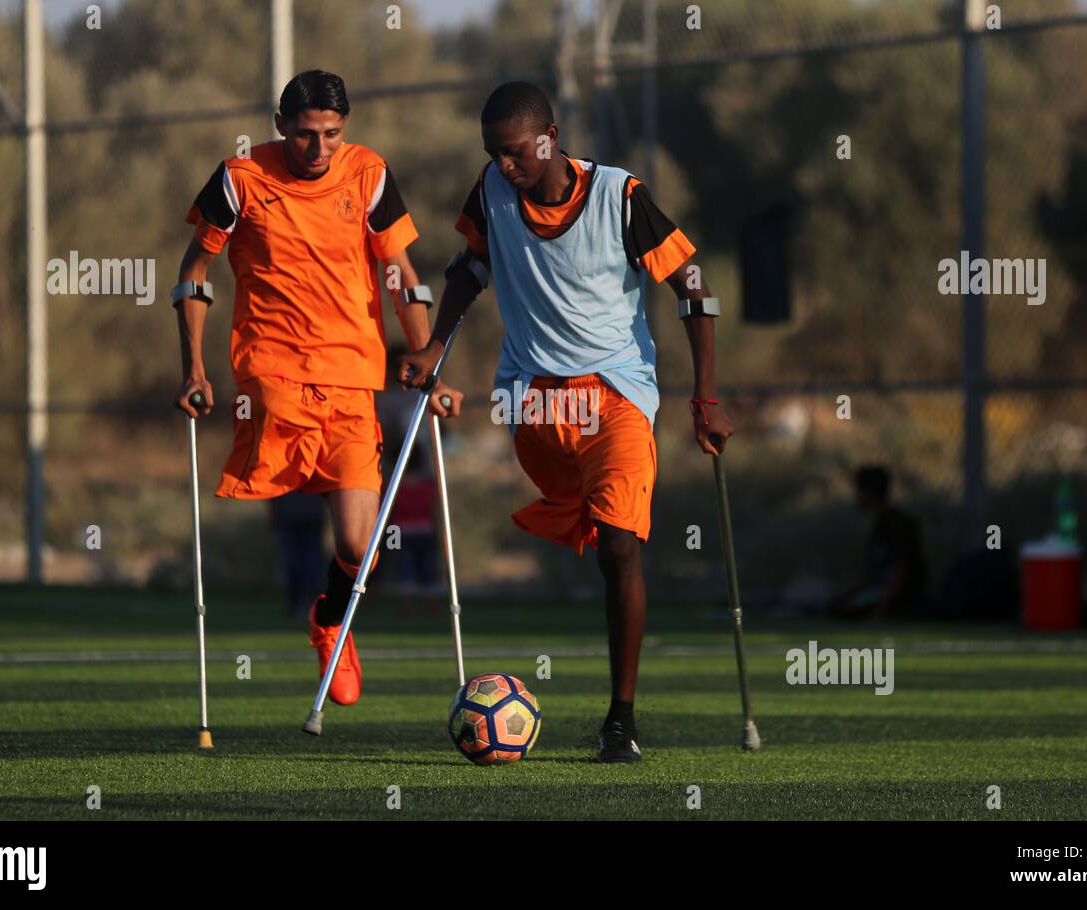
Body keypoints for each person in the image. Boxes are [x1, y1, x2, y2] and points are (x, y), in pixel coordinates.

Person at [399, 82, 733, 762]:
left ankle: (621, 720)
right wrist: (435, 344)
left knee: (619, 546)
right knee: (591, 527)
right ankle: (593, 521)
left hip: (617, 395)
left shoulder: (620, 196)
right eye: (494, 153)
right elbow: (470, 267)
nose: (505, 165)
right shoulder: (491, 190)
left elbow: (692, 284)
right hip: (533, 402)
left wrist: (706, 394)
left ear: (549, 138)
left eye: (516, 152)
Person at [171, 70, 463, 706]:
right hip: (272, 374)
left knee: (362, 545)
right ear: (281, 127)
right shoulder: (240, 178)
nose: (320, 149)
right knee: (294, 494)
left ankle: (330, 619)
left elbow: (402, 272)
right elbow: (195, 271)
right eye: (306, 135)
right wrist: (193, 367)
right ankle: (302, 567)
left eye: (332, 134)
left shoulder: (368, 173)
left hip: (354, 376)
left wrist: (427, 364)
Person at [830, 466, 926, 620]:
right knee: (839, 605)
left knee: (846, 610)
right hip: (881, 591)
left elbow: (900, 570)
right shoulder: (880, 524)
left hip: (902, 596)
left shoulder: (895, 524)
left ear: (869, 492)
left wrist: (882, 608)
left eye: (859, 491)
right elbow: (874, 574)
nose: (857, 496)